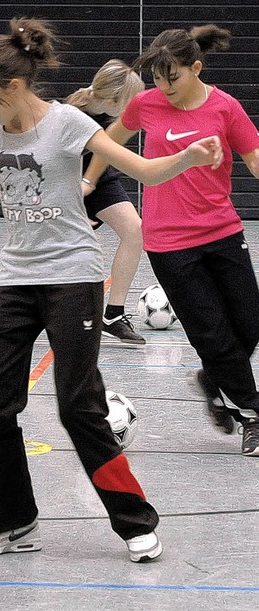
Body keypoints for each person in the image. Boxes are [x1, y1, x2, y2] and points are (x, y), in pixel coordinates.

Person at [0, 18, 222, 561]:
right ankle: (10, 521)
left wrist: (187, 157)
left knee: (78, 406)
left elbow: (142, 171)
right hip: (15, 280)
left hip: (73, 279)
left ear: (13, 88)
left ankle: (135, 522)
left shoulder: (67, 124)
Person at [83, 25, 259, 456]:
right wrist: (88, 181)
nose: (164, 87)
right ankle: (252, 414)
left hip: (222, 230)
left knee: (250, 324)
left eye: (172, 78)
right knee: (212, 333)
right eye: (158, 78)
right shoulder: (146, 104)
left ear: (195, 68)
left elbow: (254, 156)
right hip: (169, 243)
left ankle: (212, 379)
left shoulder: (226, 107)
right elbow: (107, 142)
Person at [65, 60, 146, 345]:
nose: (130, 110)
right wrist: (72, 209)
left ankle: (112, 314)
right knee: (79, 251)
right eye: (127, 103)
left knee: (135, 230)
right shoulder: (71, 116)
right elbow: (55, 169)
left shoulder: (112, 115)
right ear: (112, 100)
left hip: (98, 180)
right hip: (67, 185)